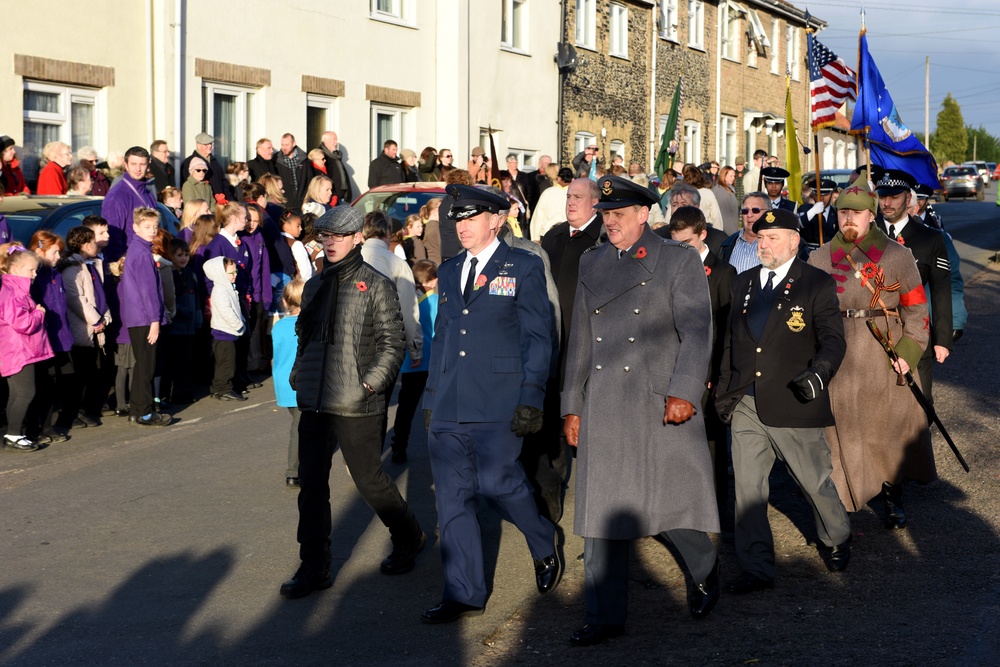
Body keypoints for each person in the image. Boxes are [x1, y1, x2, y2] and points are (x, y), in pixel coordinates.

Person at [559, 176, 719, 646]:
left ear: (644, 215)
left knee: (666, 503)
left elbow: (696, 330)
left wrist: (685, 390)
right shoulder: (592, 262)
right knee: (601, 511)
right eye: (606, 215)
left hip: (657, 398)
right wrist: (572, 404)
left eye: (619, 215)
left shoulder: (677, 260)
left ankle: (704, 567)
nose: (610, 223)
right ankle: (603, 615)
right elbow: (581, 343)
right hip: (606, 400)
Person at [420, 184, 560, 624]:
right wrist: (430, 397)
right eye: (458, 219)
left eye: (472, 218)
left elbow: (539, 338)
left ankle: (542, 539)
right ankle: (464, 591)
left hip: (500, 400)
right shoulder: (448, 271)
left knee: (499, 484)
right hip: (449, 401)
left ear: (496, 220)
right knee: (453, 499)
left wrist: (532, 396)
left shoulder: (522, 266)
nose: (462, 226)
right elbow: (443, 338)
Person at [280, 205, 425, 599]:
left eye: (338, 235)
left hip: (357, 401)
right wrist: (298, 373)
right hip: (314, 400)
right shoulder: (313, 285)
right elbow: (304, 335)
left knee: (370, 482)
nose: (329, 241)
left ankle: (409, 535)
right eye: (324, 235)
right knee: (311, 484)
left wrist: (369, 386)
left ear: (357, 237)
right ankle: (314, 565)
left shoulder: (376, 283)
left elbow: (392, 344)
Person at [715, 208, 851, 595]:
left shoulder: (816, 283)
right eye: (761, 238)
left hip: (794, 399)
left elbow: (833, 339)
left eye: (773, 237)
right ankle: (756, 566)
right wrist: (725, 391)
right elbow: (731, 342)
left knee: (812, 481)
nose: (764, 244)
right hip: (747, 403)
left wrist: (819, 374)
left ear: (794, 241)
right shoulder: (742, 283)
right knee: (748, 490)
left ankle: (837, 536)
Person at [807, 176, 934, 529]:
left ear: (871, 216)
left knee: (886, 431)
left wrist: (908, 351)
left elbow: (917, 311)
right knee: (841, 432)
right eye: (844, 211)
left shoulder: (896, 255)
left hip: (883, 354)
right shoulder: (818, 257)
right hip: (837, 356)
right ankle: (843, 502)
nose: (849, 218)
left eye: (857, 212)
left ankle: (892, 495)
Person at [669, 206, 736, 511]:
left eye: (687, 243)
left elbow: (727, 330)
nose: (680, 249)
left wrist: (719, 375)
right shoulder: (669, 267)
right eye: (676, 243)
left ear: (703, 235)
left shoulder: (722, 273)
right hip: (672, 370)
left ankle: (714, 506)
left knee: (711, 444)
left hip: (709, 372)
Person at [874, 169, 952, 404]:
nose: (886, 203)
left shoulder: (930, 238)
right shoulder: (866, 235)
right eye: (882, 196)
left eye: (894, 197)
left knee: (920, 405)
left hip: (914, 331)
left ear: (908, 198)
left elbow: (941, 290)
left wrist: (943, 339)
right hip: (874, 333)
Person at [0, 244, 53, 451]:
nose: (34, 275)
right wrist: (39, 313)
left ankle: (15, 432)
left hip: (18, 351)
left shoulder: (15, 290)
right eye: (30, 270)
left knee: (18, 393)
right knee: (25, 393)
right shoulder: (13, 293)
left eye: (35, 270)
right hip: (19, 351)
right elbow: (23, 324)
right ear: (15, 270)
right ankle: (13, 434)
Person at [120, 208, 170, 427]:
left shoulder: (138, 250)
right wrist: (155, 321)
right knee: (146, 366)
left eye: (155, 227)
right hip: (144, 318)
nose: (152, 231)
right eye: (147, 227)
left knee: (143, 364)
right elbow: (148, 291)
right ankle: (144, 412)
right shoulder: (141, 253)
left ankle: (137, 409)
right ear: (135, 227)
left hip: (139, 317)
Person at [59, 226, 112, 428]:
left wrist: (105, 317)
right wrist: (96, 320)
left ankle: (87, 408)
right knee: (81, 373)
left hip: (96, 325)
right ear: (82, 244)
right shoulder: (73, 268)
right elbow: (76, 299)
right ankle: (74, 412)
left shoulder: (92, 264)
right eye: (91, 241)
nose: (96, 244)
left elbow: (100, 295)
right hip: (82, 327)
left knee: (92, 372)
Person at [389, 260, 437, 464]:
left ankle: (399, 446)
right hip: (432, 361)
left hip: (412, 361)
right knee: (435, 407)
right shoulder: (436, 301)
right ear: (433, 281)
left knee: (406, 407)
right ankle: (438, 448)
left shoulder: (410, 301)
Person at [360, 211, 423, 369]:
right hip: (383, 342)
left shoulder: (348, 259)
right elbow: (408, 310)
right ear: (388, 232)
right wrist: (415, 348)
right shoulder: (398, 264)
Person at [28, 231, 75, 443]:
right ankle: (35, 426)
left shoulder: (55, 273)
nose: (58, 257)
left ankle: (49, 424)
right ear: (39, 251)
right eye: (55, 253)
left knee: (57, 382)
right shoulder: (34, 276)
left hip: (60, 336)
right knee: (42, 384)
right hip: (43, 338)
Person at [272, 278, 304, 487]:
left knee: (300, 423)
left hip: (283, 382)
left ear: (285, 302)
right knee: (299, 428)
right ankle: (293, 470)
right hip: (302, 382)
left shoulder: (279, 326)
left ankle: (299, 465)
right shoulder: (309, 325)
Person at [101, 146, 158, 262]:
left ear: (148, 166)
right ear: (126, 165)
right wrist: (119, 269)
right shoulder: (117, 195)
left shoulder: (148, 193)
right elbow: (112, 236)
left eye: (142, 164)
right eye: (133, 164)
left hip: (147, 258)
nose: (138, 169)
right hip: (127, 263)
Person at [162, 238, 201, 405]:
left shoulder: (190, 273)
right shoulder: (169, 274)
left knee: (186, 361)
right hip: (175, 327)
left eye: (186, 254)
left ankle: (185, 392)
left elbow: (197, 297)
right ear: (171, 256)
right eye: (179, 255)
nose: (183, 258)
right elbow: (169, 299)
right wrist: (180, 311)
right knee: (173, 363)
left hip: (189, 327)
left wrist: (197, 316)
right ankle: (170, 394)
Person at [204, 256, 246, 401]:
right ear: (220, 274)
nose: (235, 276)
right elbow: (227, 311)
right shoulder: (220, 291)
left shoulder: (227, 288)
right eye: (231, 273)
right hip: (224, 333)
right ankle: (223, 388)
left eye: (235, 273)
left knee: (227, 362)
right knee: (226, 364)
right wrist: (238, 324)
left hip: (229, 333)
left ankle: (219, 388)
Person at [718, 192, 770, 274]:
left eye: (755, 210)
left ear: (768, 212)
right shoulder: (726, 245)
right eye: (745, 211)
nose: (749, 215)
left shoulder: (778, 244)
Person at [179, 132, 234, 202]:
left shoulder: (214, 162)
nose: (210, 146)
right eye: (206, 144)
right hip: (203, 204)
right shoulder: (190, 162)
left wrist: (229, 200)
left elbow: (223, 182)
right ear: (198, 146)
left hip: (220, 203)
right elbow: (188, 184)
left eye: (211, 143)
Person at [531, 167, 573, 241]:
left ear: (558, 178)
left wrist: (535, 238)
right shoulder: (575, 194)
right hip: (569, 234)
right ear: (572, 179)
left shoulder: (547, 192)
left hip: (548, 234)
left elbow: (538, 217)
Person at [276, 134, 310, 213]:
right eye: (282, 145)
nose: (284, 147)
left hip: (303, 203)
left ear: (294, 144)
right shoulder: (277, 160)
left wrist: (306, 197)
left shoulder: (304, 159)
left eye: (287, 145)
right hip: (286, 204)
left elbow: (309, 179)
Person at [798, 179, 838, 246]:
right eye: (818, 194)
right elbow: (798, 225)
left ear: (831, 194)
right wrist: (812, 212)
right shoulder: (805, 209)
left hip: (829, 252)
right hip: (809, 252)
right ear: (813, 195)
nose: (821, 198)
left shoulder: (836, 212)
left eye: (825, 194)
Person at [318, 132, 352, 204]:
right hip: (331, 197)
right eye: (334, 139)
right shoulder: (320, 156)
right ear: (326, 140)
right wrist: (333, 194)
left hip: (341, 196)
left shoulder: (335, 156)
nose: (336, 142)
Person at [713, 166, 740, 235]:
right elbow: (724, 214)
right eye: (730, 176)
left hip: (732, 228)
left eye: (734, 176)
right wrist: (731, 233)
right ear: (724, 176)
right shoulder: (720, 190)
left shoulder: (729, 188)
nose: (733, 178)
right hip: (727, 231)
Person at [420, 198, 443, 265]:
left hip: (428, 264)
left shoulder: (423, 226)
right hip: (438, 264)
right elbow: (443, 247)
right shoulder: (437, 227)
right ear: (434, 211)